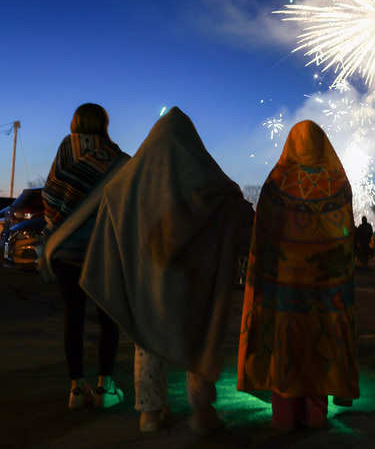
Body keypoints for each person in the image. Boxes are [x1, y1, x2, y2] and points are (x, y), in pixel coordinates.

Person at [80, 108, 254, 433]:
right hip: (195, 280)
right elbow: (237, 207)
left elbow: (112, 203)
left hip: (147, 281)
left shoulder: (129, 184)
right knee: (198, 338)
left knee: (147, 341)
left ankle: (150, 413)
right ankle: (201, 410)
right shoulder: (208, 180)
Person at [237, 120, 359, 432]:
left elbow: (262, 237)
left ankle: (285, 416)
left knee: (285, 345)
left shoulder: (278, 181)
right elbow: (345, 238)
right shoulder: (338, 183)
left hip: (283, 284)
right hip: (324, 286)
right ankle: (316, 415)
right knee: (319, 345)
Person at [41, 103, 129, 410]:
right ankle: (106, 387)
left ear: (75, 122)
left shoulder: (67, 149)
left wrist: (59, 223)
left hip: (66, 249)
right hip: (104, 250)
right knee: (108, 320)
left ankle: (76, 390)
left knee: (73, 320)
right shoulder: (116, 157)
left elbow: (51, 193)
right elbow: (125, 200)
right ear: (105, 123)